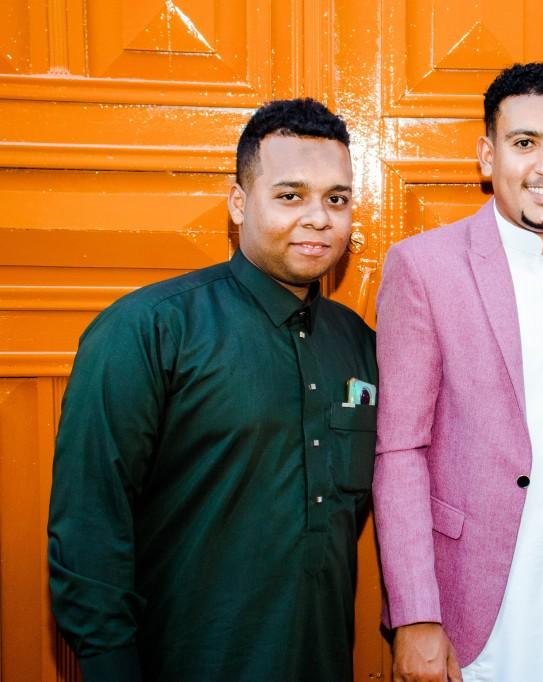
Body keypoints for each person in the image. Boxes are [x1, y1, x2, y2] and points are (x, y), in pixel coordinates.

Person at [47, 98, 377, 682]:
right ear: (238, 202)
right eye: (290, 195)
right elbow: (88, 527)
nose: (319, 218)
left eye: (336, 198)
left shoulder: (358, 342)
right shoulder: (149, 330)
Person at [373, 62, 543, 682]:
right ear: (486, 155)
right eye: (525, 143)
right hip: (493, 601)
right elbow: (400, 450)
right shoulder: (425, 267)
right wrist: (416, 615)